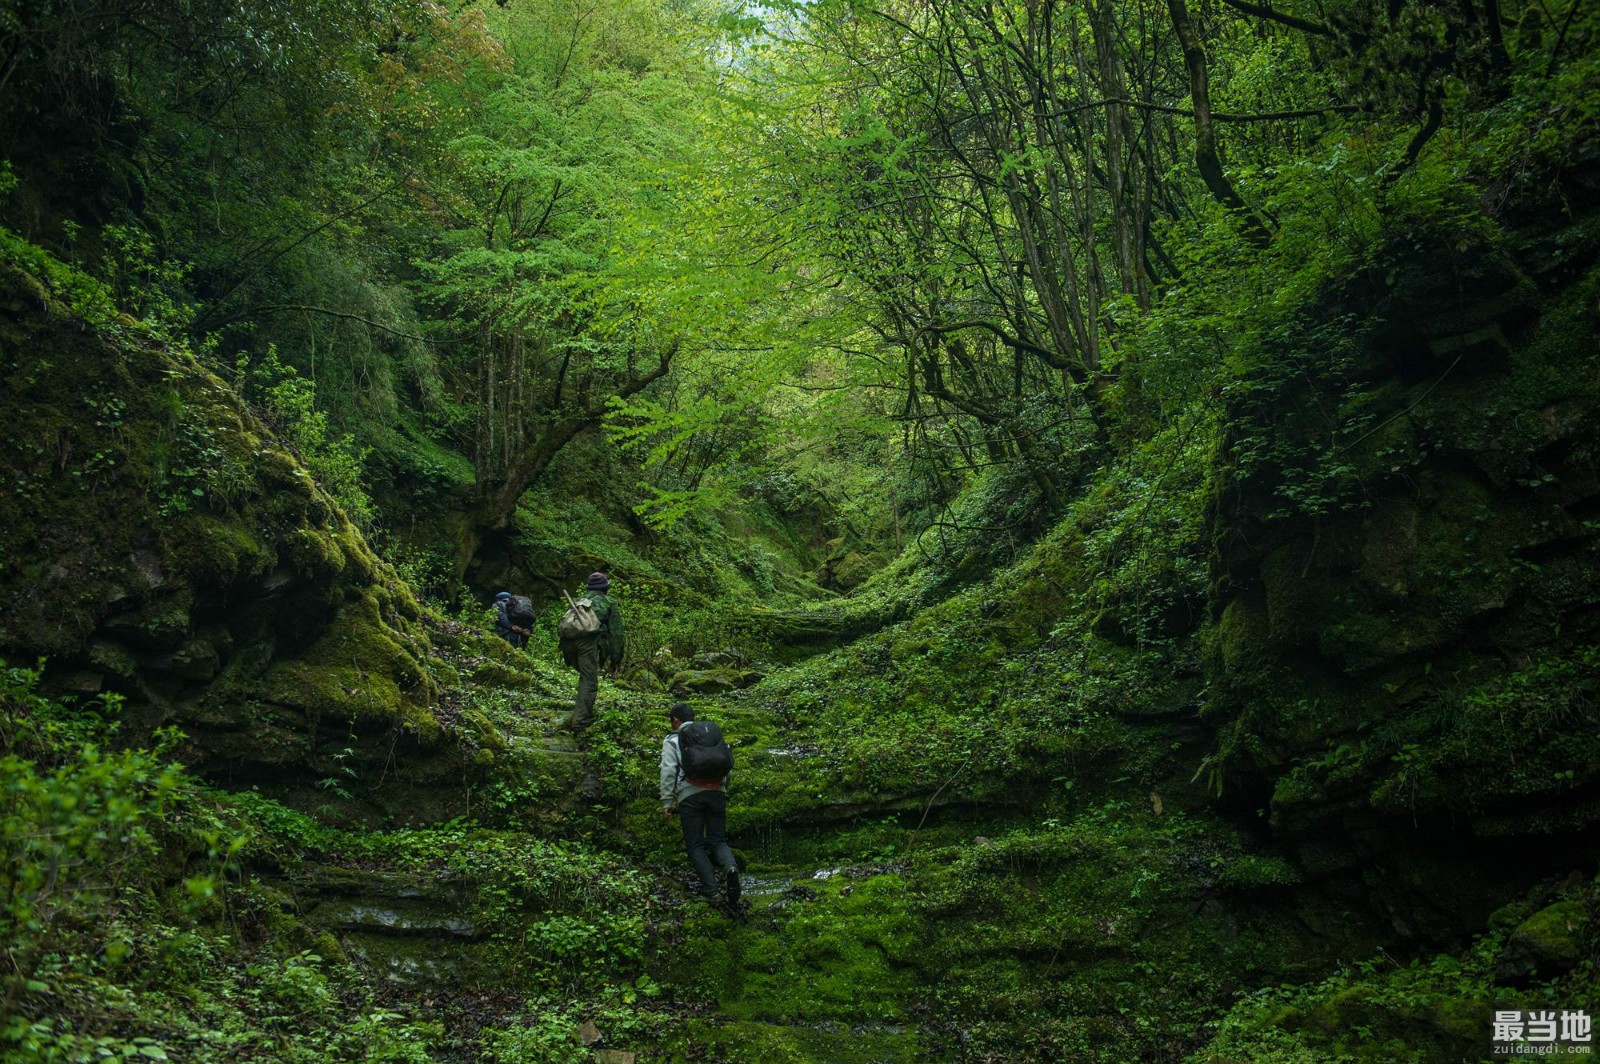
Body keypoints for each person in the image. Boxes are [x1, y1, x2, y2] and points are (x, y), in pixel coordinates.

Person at [660, 703, 740, 911]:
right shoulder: (710, 734)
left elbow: (668, 771)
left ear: (675, 720)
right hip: (717, 792)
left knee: (695, 845)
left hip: (689, 796)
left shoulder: (673, 739)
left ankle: (712, 893)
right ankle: (730, 867)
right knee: (718, 840)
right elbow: (726, 763)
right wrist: (721, 788)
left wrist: (667, 802)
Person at [560, 572, 624, 735]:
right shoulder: (608, 602)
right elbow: (616, 633)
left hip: (568, 644)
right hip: (588, 644)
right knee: (590, 681)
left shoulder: (578, 600)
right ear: (606, 588)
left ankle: (579, 711)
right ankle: (580, 722)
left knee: (585, 677)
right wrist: (616, 659)